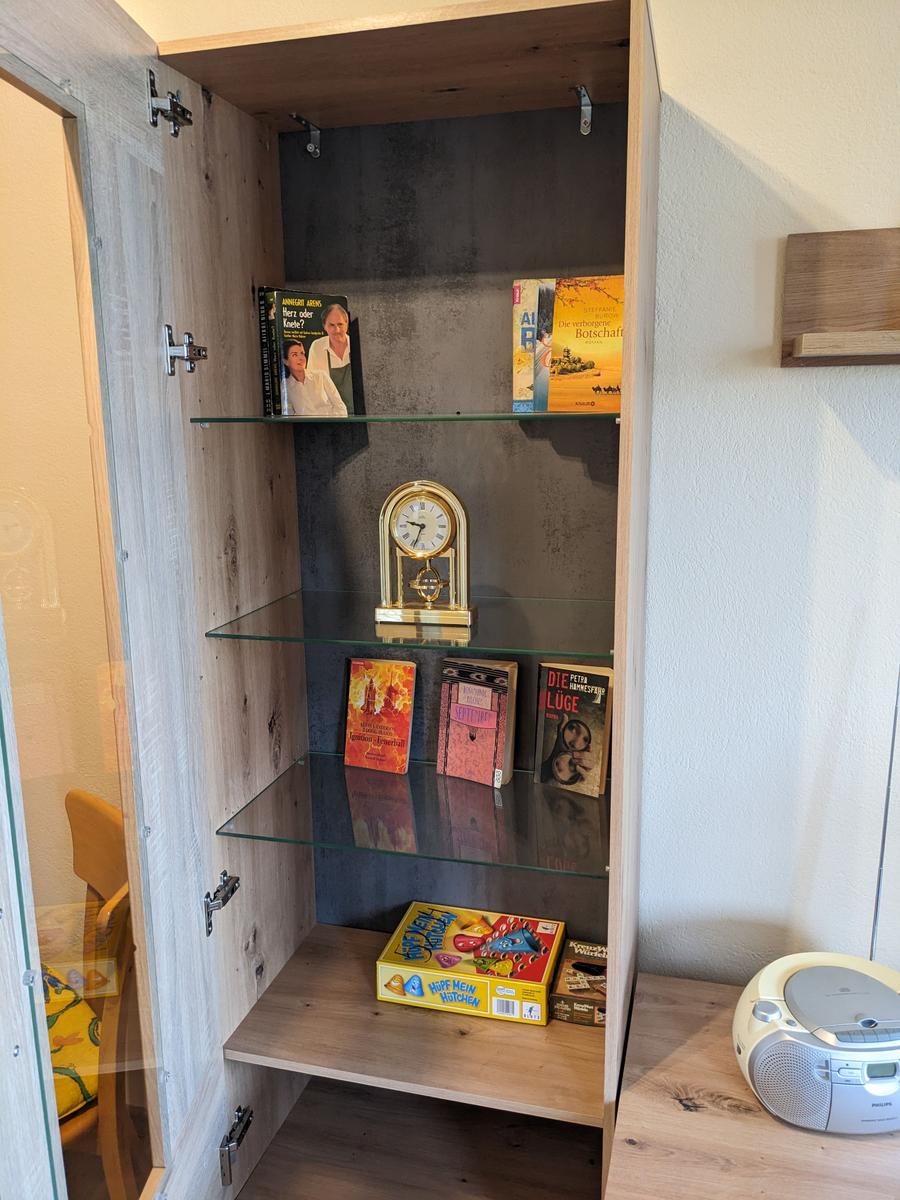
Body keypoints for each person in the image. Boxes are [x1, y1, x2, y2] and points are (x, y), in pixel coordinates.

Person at [306, 302, 354, 412]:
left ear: (347, 324)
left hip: (358, 414)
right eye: (331, 325)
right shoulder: (317, 347)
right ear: (324, 326)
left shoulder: (357, 343)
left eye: (340, 324)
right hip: (331, 414)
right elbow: (312, 386)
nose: (337, 330)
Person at [280, 340, 347, 417]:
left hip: (331, 422)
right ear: (286, 361)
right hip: (305, 424)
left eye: (302, 353)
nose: (301, 358)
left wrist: (331, 422)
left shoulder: (321, 376)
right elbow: (289, 416)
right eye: (295, 355)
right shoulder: (285, 386)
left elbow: (340, 407)